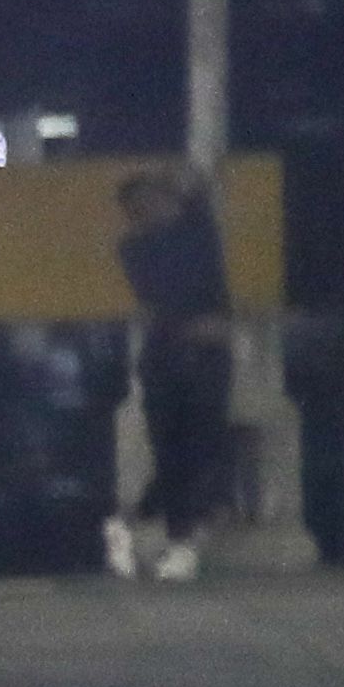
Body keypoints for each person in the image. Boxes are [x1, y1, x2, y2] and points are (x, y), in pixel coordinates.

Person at [113, 169, 236, 583]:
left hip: (206, 354)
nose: (157, 206)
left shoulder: (196, 232)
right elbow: (163, 298)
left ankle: (152, 527)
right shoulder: (136, 247)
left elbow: (200, 194)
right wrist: (193, 324)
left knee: (201, 445)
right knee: (172, 451)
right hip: (169, 355)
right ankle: (172, 536)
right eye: (145, 202)